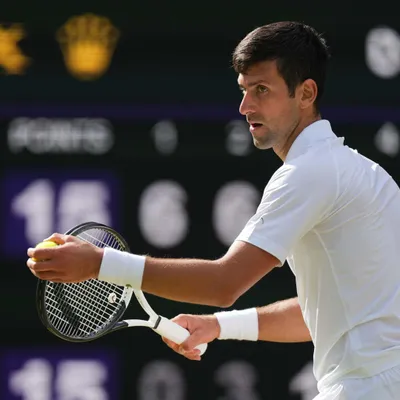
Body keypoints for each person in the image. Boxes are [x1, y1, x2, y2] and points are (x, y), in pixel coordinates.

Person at [26, 21, 400, 399]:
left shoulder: (309, 173)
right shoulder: (365, 175)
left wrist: (100, 264)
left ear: (305, 93)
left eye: (262, 90)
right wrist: (217, 325)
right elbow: (318, 315)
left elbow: (223, 284)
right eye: (244, 90)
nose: (245, 106)